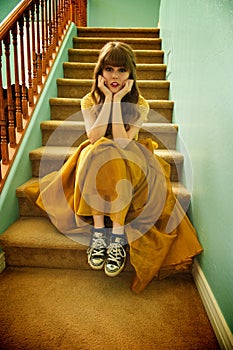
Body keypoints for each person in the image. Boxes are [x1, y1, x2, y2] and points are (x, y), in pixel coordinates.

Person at [32, 41, 203, 293]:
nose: (115, 76)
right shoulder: (89, 100)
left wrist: (120, 99)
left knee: (109, 151)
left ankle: (116, 235)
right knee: (97, 148)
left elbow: (124, 142)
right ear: (100, 72)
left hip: (129, 157)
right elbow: (94, 136)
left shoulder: (140, 103)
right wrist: (109, 101)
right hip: (96, 157)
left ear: (131, 74)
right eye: (109, 69)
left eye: (122, 70)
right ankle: (100, 233)